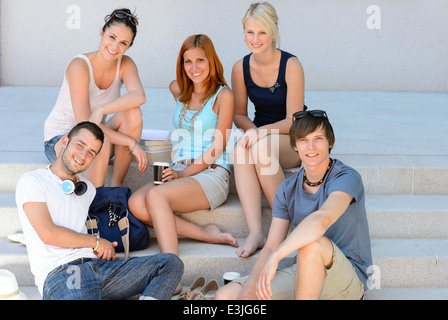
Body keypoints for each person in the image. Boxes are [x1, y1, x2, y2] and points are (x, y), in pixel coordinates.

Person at [215, 110, 373, 300]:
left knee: (312, 244)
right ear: (295, 146)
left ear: (330, 142)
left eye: (318, 138)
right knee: (228, 295)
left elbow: (321, 220)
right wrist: (249, 290)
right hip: (306, 274)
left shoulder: (346, 177)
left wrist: (277, 257)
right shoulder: (288, 188)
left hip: (347, 280)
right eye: (304, 140)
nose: (311, 146)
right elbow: (272, 244)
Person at [16, 121, 183, 300]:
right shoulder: (33, 181)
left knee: (170, 263)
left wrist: (100, 249)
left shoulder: (87, 189)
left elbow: (76, 229)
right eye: (79, 145)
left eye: (91, 153)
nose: (82, 155)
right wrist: (96, 242)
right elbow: (48, 234)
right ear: (65, 141)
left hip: (99, 268)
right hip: (64, 272)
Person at [128, 34, 237, 257]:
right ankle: (205, 233)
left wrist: (184, 173)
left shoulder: (223, 95)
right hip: (179, 169)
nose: (194, 67)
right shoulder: (178, 89)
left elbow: (218, 146)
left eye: (201, 60)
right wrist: (179, 171)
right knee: (136, 203)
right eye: (188, 61)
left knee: (156, 197)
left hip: (211, 173)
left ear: (212, 61)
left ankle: (171, 271)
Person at [232, 2, 307, 257]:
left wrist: (259, 134)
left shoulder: (291, 65)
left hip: (292, 137)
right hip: (261, 134)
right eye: (250, 32)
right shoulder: (239, 68)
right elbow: (239, 114)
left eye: (262, 32)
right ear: (244, 32)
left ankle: (281, 229)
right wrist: (253, 132)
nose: (256, 39)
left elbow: (293, 120)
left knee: (258, 145)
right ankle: (256, 232)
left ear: (273, 32)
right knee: (240, 149)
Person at [44, 8, 148, 188]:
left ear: (129, 46)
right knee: (101, 139)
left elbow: (139, 96)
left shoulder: (125, 64)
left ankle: (116, 187)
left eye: (123, 43)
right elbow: (85, 124)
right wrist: (130, 142)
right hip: (62, 140)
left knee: (134, 114)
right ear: (101, 33)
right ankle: (96, 201)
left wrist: (101, 110)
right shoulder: (80, 66)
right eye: (112, 37)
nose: (115, 47)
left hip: (96, 136)